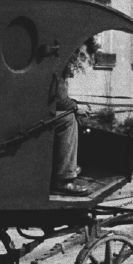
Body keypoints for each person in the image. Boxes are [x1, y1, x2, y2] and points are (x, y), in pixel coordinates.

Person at [50, 65, 89, 196]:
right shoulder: (57, 66)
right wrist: (76, 108)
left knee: (68, 114)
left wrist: (74, 105)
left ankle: (68, 167)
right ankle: (62, 177)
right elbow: (59, 100)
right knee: (68, 119)